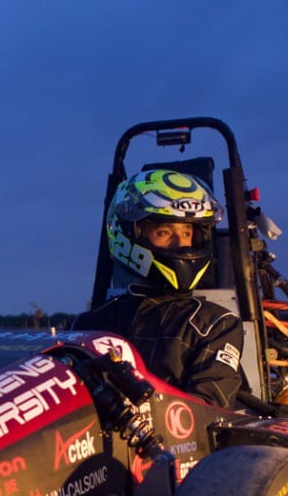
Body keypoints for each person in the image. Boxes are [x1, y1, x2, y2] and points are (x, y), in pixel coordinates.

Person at [73, 169, 244, 408]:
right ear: (131, 235)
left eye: (187, 233)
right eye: (165, 232)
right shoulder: (90, 325)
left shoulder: (214, 325)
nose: (181, 244)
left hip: (171, 431)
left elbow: (208, 410)